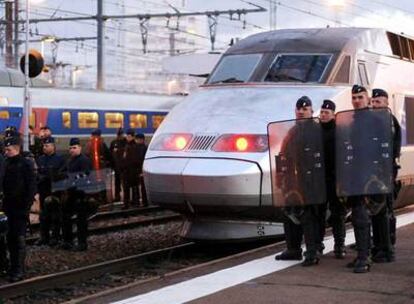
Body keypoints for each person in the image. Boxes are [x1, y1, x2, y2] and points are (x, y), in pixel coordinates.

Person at [340, 85, 392, 273]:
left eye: (360, 97)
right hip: (355, 177)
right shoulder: (353, 121)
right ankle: (363, 254)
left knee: (363, 218)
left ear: (367, 99)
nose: (356, 100)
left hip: (370, 178)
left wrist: (382, 176)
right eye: (354, 97)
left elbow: (384, 150)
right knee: (356, 218)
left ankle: (365, 258)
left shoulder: (376, 120)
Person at [274, 96, 322, 266]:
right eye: (299, 109)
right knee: (289, 214)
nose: (301, 112)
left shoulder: (316, 130)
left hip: (309, 182)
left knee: (308, 217)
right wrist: (280, 178)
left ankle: (312, 252)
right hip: (293, 182)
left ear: (311, 111)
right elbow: (283, 155)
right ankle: (293, 249)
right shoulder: (292, 131)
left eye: (305, 109)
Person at [370, 88, 401, 262]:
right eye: (373, 102)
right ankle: (379, 245)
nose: (375, 105)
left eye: (379, 102)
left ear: (387, 103)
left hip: (386, 172)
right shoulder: (374, 121)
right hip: (375, 173)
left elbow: (389, 150)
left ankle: (387, 249)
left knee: (385, 210)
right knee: (377, 210)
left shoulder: (389, 121)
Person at [2, 136, 36, 281]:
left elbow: (31, 186)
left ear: (16, 149)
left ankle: (18, 269)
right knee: (9, 238)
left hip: (20, 207)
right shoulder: (6, 163)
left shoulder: (25, 164)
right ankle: (11, 267)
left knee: (18, 238)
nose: (6, 152)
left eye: (8, 149)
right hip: (8, 206)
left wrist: (27, 206)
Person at [317, 100, 347, 258]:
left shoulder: (339, 131)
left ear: (333, 114)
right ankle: (318, 244)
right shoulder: (316, 131)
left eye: (326, 113)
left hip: (336, 179)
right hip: (320, 180)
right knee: (319, 214)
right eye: (321, 112)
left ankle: (339, 245)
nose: (322, 115)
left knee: (338, 214)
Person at [61, 138, 93, 251]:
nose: (72, 150)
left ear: (80, 148)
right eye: (70, 148)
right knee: (66, 217)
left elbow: (86, 174)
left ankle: (82, 243)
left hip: (81, 194)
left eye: (74, 148)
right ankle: (67, 241)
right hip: (71, 193)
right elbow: (64, 172)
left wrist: (72, 178)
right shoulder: (70, 161)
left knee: (81, 220)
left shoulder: (84, 160)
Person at [35, 136, 66, 246]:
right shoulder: (40, 159)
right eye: (44, 145)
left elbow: (63, 174)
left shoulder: (60, 159)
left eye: (47, 145)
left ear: (53, 146)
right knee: (43, 216)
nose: (44, 147)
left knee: (55, 216)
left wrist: (51, 177)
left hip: (55, 191)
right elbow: (37, 173)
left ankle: (55, 237)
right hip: (44, 190)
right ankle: (44, 237)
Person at [121, 129, 141, 209]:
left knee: (134, 187)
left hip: (133, 170)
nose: (127, 138)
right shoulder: (127, 145)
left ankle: (135, 203)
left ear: (133, 137)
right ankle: (127, 203)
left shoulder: (134, 146)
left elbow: (136, 160)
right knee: (126, 188)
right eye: (127, 136)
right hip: (127, 170)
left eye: (129, 136)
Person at [110, 128, 127, 202]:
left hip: (124, 166)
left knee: (125, 183)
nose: (120, 136)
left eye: (121, 134)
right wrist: (111, 165)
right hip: (116, 166)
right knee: (117, 183)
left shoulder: (126, 142)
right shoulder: (114, 142)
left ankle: (126, 197)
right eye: (119, 134)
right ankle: (117, 196)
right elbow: (110, 154)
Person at [135, 133, 148, 206]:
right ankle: (141, 201)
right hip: (138, 169)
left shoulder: (144, 148)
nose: (138, 140)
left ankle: (144, 201)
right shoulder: (144, 148)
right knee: (139, 186)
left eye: (139, 139)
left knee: (143, 187)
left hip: (141, 169)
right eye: (137, 139)